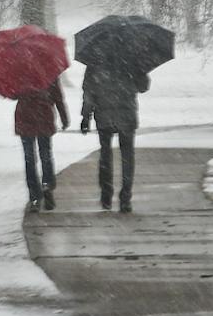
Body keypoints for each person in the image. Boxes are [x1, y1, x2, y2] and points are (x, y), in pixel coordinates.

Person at [80, 64, 146, 212]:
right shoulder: (132, 60)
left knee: (105, 154)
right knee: (127, 156)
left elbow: (89, 92)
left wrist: (86, 116)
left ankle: (106, 193)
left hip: (104, 116)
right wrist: (141, 71)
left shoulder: (94, 62)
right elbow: (143, 87)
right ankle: (125, 196)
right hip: (126, 116)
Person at [13, 78, 69, 211]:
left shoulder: (19, 72)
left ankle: (34, 196)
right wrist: (64, 117)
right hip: (43, 116)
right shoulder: (49, 71)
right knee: (45, 155)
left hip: (25, 118)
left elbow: (13, 94)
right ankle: (47, 185)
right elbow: (58, 97)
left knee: (29, 159)